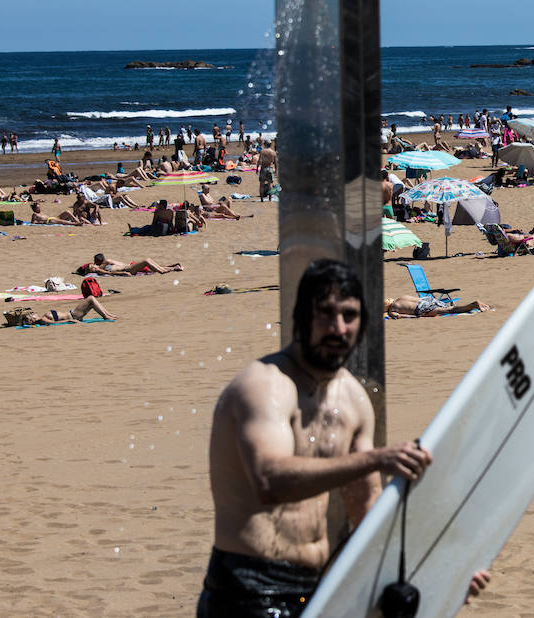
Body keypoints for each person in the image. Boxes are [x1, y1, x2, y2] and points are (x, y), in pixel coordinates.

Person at [201, 260, 489, 615]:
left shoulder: (353, 400)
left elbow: (367, 515)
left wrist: (439, 577)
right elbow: (269, 481)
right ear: (299, 316)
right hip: (249, 590)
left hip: (324, 585)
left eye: (349, 315)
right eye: (325, 313)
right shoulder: (264, 386)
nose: (338, 328)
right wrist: (377, 459)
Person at [19, 296, 116, 325]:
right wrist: (70, 321)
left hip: (72, 313)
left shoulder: (43, 317)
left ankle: (108, 315)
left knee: (91, 302)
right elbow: (54, 323)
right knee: (90, 299)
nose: (33, 315)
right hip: (73, 315)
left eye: (31, 315)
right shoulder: (43, 319)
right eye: (31, 317)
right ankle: (107, 316)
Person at [384, 294, 491, 318]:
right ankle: (481, 305)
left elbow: (402, 316)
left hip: (422, 309)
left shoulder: (392, 310)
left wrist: (417, 316)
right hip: (427, 299)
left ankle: (474, 304)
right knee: (448, 307)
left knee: (450, 310)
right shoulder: (401, 297)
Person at [79, 253, 183, 275]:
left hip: (128, 266)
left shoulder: (102, 266)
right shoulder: (100, 270)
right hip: (128, 269)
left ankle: (172, 266)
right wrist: (124, 274)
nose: (92, 266)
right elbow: (110, 273)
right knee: (147, 260)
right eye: (90, 267)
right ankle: (165, 270)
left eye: (91, 265)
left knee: (149, 264)